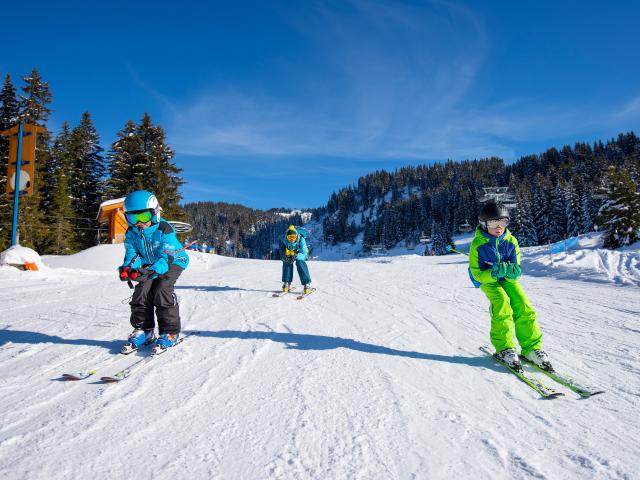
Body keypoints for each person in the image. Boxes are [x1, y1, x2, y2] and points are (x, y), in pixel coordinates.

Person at [468, 201, 551, 371]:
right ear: (484, 225)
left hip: (506, 279)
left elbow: (516, 267)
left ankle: (532, 348)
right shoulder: (478, 244)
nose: (499, 227)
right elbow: (477, 273)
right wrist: (493, 273)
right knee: (502, 301)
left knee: (522, 303)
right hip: (487, 280)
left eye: (503, 222)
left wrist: (513, 273)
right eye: (493, 223)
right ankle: (504, 347)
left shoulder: (511, 241)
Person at [118, 190, 189, 355]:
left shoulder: (164, 229)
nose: (139, 222)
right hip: (150, 264)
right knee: (141, 292)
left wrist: (152, 271)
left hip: (173, 261)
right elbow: (132, 254)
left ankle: (170, 332)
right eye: (132, 218)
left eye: (143, 216)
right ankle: (145, 330)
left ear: (155, 212)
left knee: (161, 289)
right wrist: (128, 268)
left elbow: (166, 256)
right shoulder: (131, 233)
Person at [280, 225, 312, 294]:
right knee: (286, 261)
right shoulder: (284, 241)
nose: (291, 239)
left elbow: (304, 252)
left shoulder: (301, 239)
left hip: (300, 253)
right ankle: (286, 283)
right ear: (287, 237)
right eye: (290, 237)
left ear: (296, 236)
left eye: (293, 237)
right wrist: (284, 255)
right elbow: (281, 252)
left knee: (300, 262)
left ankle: (306, 284)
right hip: (289, 254)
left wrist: (297, 255)